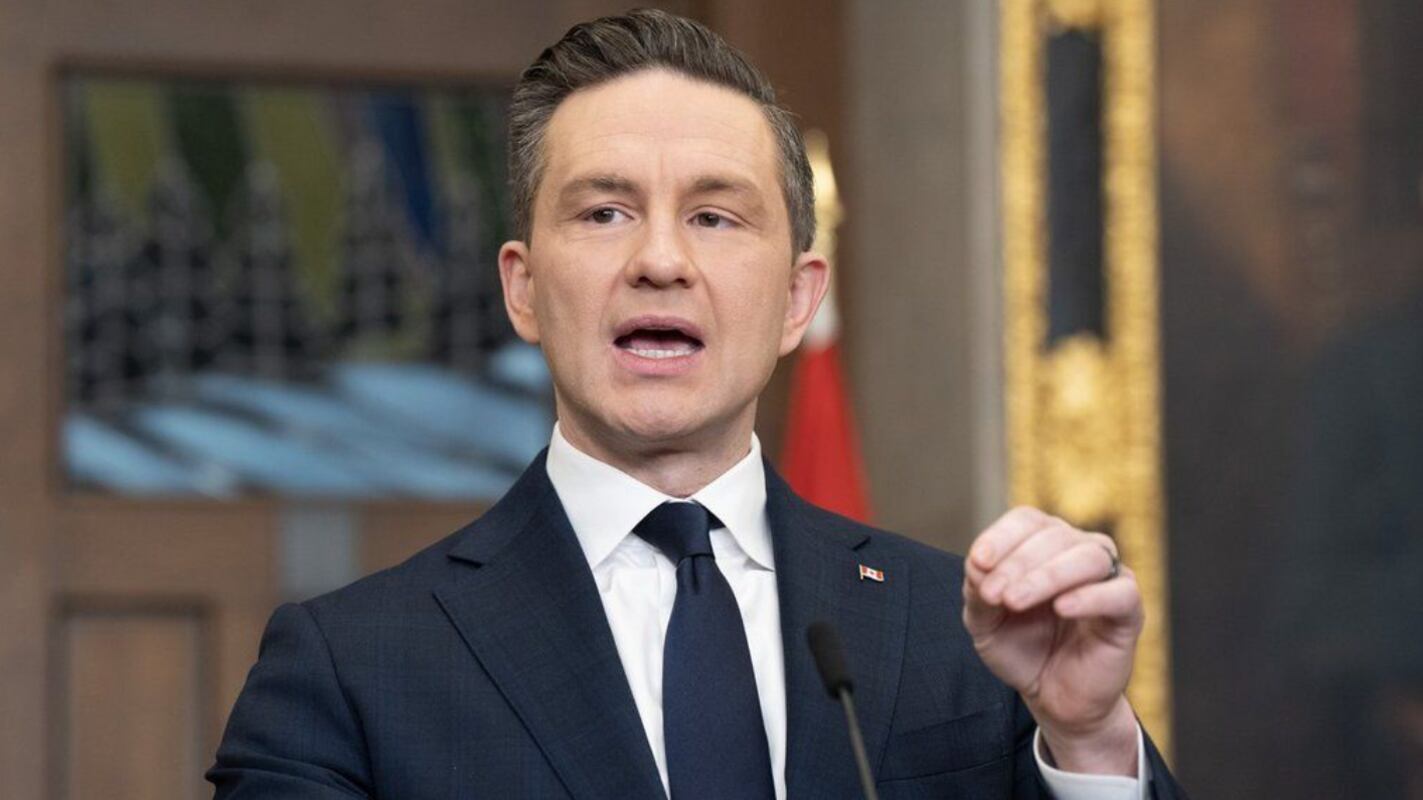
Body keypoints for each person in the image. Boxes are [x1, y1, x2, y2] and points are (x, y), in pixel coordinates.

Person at [209, 10, 1181, 798]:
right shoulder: (351, 669)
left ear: (798, 298)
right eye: (605, 212)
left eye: (714, 216)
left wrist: (1090, 741)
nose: (661, 261)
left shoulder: (962, 637)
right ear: (523, 288)